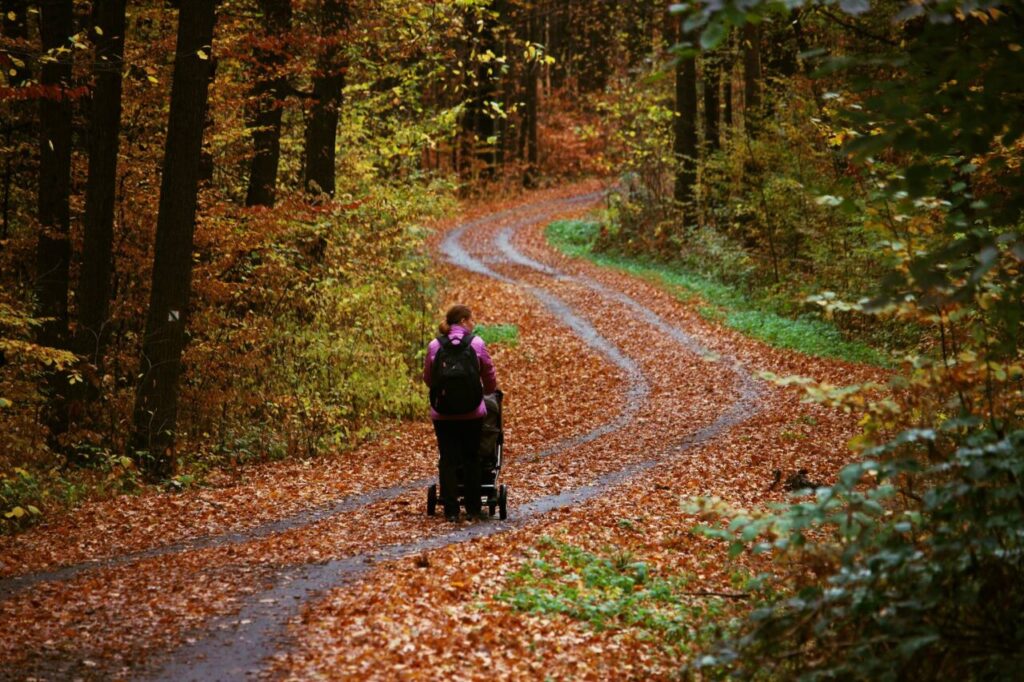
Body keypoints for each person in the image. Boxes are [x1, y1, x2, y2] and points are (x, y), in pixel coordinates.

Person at [423, 304, 498, 521]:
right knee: (471, 457)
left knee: (447, 458)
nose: (473, 323)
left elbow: (429, 378)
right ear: (464, 321)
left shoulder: (435, 345)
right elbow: (489, 373)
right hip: (472, 412)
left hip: (443, 413)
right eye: (471, 319)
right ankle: (474, 508)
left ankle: (451, 509)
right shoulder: (476, 343)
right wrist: (489, 391)